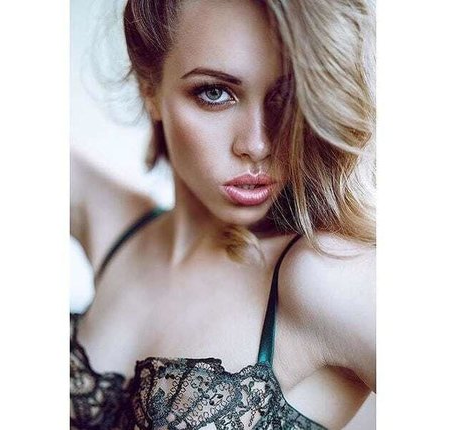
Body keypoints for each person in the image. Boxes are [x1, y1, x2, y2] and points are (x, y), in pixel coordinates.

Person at [70, 0, 376, 429]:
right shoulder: (116, 227)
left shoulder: (325, 278)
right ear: (149, 88)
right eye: (214, 93)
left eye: (286, 97)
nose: (256, 144)